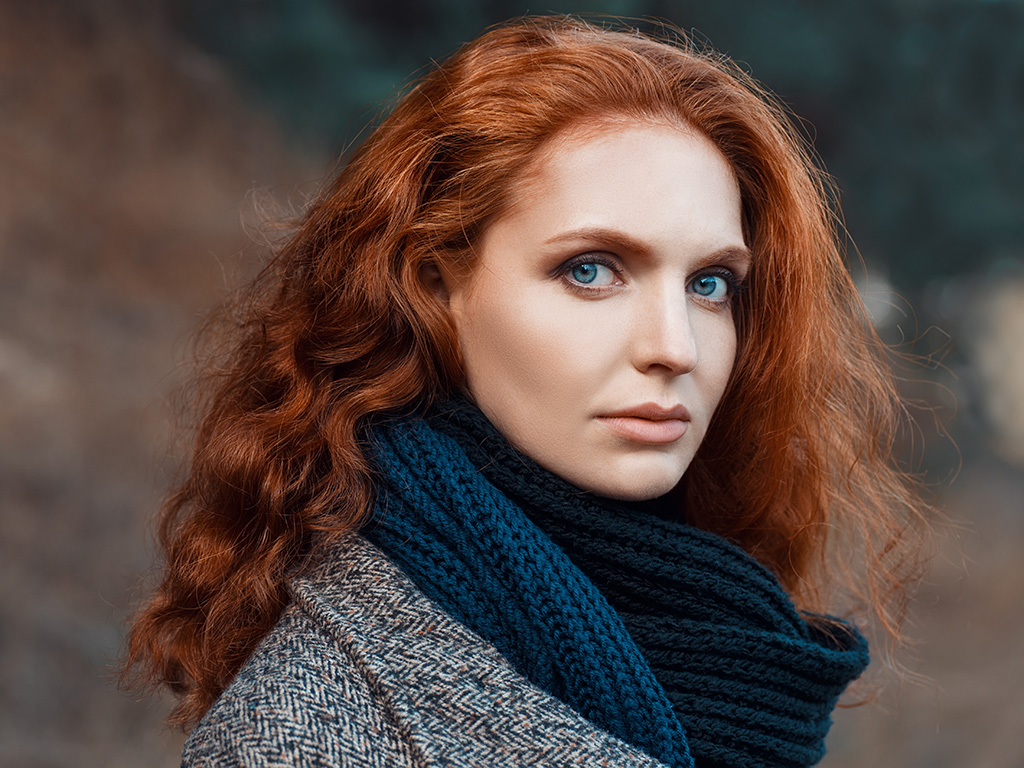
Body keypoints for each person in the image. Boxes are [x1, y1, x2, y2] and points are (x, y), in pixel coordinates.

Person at [123, 15, 929, 768]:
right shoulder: (302, 737)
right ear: (437, 288)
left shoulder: (733, 648)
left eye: (711, 284)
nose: (674, 348)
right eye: (591, 270)